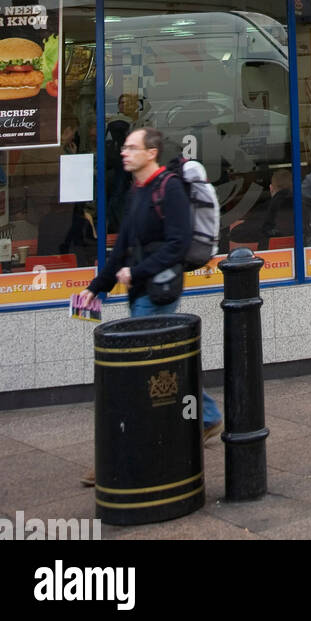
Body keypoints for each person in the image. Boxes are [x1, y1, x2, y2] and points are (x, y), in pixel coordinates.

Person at [78, 127, 223, 485]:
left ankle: (118, 457)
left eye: (131, 148)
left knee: (135, 375)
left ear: (152, 152)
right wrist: (97, 287)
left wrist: (138, 271)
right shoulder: (137, 190)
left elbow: (178, 243)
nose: (123, 153)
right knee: (164, 366)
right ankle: (206, 415)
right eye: (125, 147)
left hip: (158, 291)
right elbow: (122, 246)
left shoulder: (168, 188)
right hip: (138, 289)